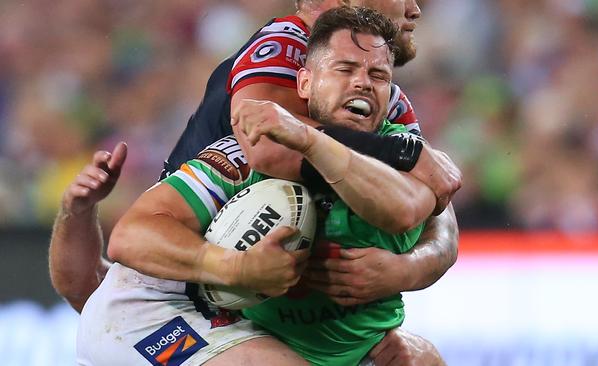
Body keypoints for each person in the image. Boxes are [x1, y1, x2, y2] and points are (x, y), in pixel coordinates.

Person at [50, 0, 460, 363]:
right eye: (345, 68)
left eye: (377, 74)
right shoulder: (283, 53)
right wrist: (238, 266)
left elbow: (431, 209)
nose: (415, 8)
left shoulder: (385, 105)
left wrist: (404, 269)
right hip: (171, 304)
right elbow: (267, 144)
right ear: (305, 80)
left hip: (245, 312)